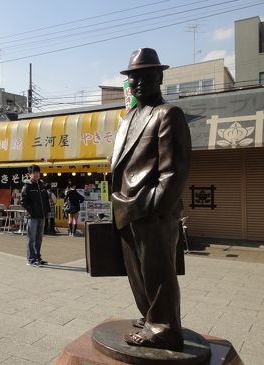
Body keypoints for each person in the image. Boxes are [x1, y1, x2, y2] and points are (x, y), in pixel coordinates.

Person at [111, 48, 191, 351]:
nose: (139, 83)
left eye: (146, 76)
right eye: (134, 78)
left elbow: (174, 170)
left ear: (159, 77)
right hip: (126, 206)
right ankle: (150, 318)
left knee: (159, 273)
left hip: (151, 210)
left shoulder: (168, 114)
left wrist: (157, 209)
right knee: (137, 272)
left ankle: (165, 329)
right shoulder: (129, 116)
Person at [20, 164, 50, 267]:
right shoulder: (26, 186)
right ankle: (31, 260)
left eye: (38, 172)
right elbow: (23, 201)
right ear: (29, 174)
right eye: (34, 173)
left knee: (39, 238)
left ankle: (38, 257)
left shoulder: (41, 185)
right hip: (32, 217)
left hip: (41, 216)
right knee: (31, 238)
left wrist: (47, 211)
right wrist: (31, 211)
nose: (37, 174)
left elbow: (46, 199)